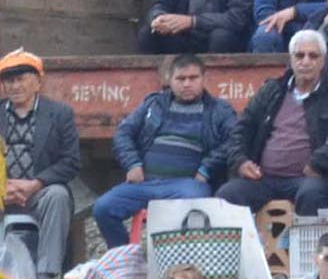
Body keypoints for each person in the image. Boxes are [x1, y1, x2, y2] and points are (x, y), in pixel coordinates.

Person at [215, 29, 328, 226]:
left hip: (310, 178)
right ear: (291, 60)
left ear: (323, 61)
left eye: (313, 56)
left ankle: (309, 255)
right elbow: (242, 129)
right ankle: (236, 257)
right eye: (300, 55)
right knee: (227, 195)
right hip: (264, 178)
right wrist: (241, 161)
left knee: (312, 194)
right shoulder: (272, 91)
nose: (306, 61)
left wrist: (319, 161)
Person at [91, 53, 234, 246]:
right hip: (146, 183)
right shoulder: (154, 104)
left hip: (187, 184)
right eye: (181, 79)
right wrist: (132, 163)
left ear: (204, 79)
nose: (187, 84)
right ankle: (126, 261)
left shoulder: (219, 110)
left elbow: (235, 140)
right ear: (170, 80)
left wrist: (206, 168)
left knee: (193, 201)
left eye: (193, 78)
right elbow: (123, 133)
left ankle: (180, 268)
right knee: (103, 208)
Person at [0, 53, 83, 279]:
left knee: (58, 195)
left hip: (38, 191)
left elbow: (70, 161)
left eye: (21, 79)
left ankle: (47, 275)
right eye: (9, 81)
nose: (15, 86)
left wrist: (36, 184)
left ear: (38, 82)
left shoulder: (60, 114)